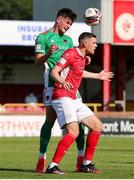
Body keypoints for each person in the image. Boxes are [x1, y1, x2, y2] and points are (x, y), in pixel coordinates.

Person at [46, 32, 114, 174]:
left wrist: (98, 76)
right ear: (85, 43)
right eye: (94, 43)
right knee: (74, 132)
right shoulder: (70, 53)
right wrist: (63, 82)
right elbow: (54, 72)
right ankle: (52, 166)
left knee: (97, 126)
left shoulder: (82, 58)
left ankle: (86, 164)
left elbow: (80, 73)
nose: (96, 45)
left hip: (73, 98)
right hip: (62, 96)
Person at [35, 8, 86, 173]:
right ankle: (41, 158)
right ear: (59, 19)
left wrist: (85, 59)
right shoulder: (43, 37)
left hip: (71, 87)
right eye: (67, 21)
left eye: (71, 23)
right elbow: (37, 62)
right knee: (49, 121)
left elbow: (74, 61)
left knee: (81, 121)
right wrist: (48, 53)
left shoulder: (69, 41)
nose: (68, 25)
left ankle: (81, 160)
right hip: (52, 84)